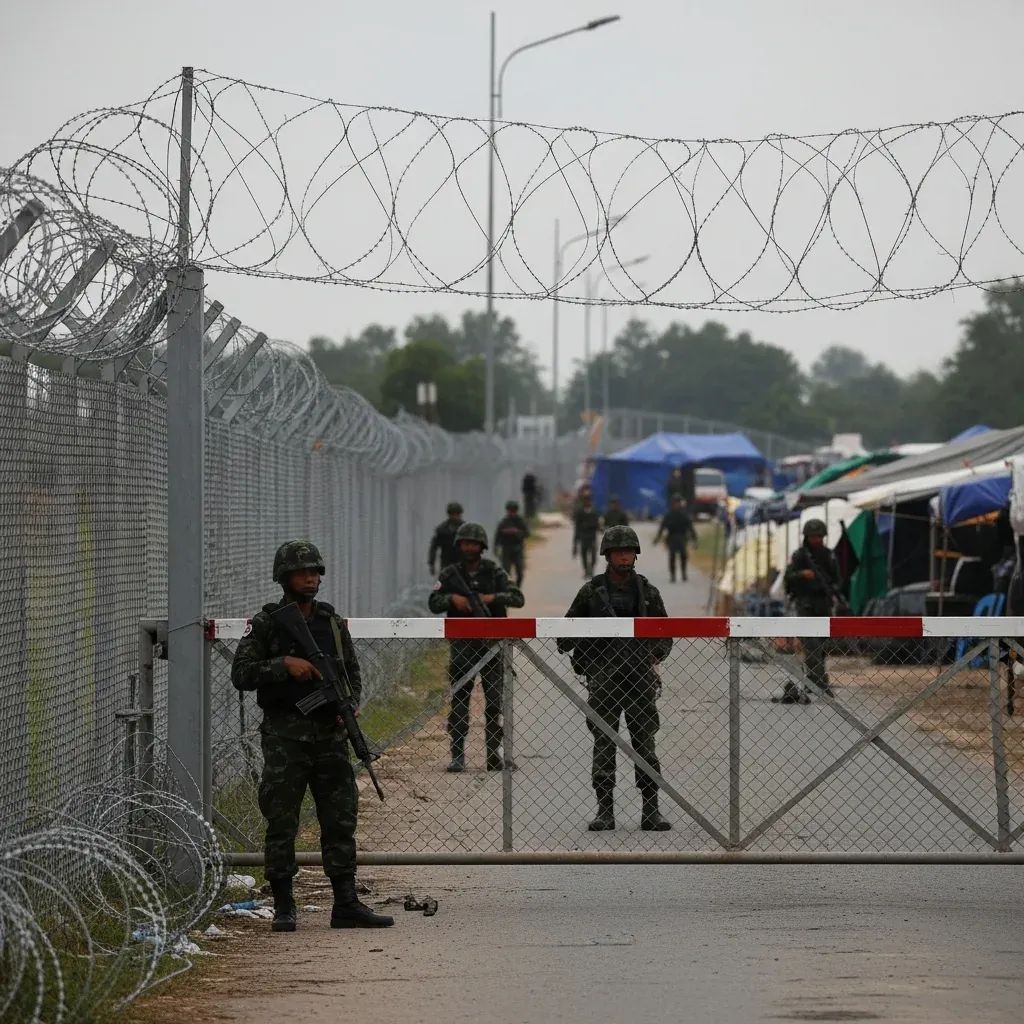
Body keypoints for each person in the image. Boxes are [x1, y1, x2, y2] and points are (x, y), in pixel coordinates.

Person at [231, 540, 394, 932]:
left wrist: (348, 704)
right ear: (284, 576)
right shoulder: (269, 623)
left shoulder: (333, 625)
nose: (311, 577)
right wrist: (284, 665)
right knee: (282, 820)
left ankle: (346, 903)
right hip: (286, 739)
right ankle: (285, 905)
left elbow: (351, 673)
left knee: (340, 819)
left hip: (330, 737)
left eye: (316, 571)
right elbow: (242, 673)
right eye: (303, 571)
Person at [557, 526, 673, 831]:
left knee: (645, 745)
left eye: (629, 550)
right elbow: (565, 633)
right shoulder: (592, 592)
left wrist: (653, 656)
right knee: (604, 745)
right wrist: (584, 644)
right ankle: (604, 810)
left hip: (638, 679)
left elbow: (665, 634)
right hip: (604, 680)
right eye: (618, 551)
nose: (624, 555)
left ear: (636, 554)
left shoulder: (647, 592)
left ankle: (651, 809)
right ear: (607, 555)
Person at [428, 522, 525, 772]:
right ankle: (457, 754)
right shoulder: (450, 575)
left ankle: (493, 754)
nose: (469, 547)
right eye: (465, 543)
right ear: (459, 545)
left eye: (473, 543)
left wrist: (492, 598)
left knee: (494, 702)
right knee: (460, 699)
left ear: (482, 546)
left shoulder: (494, 572)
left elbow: (518, 598)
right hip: (463, 646)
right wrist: (453, 599)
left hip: (492, 645)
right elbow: (433, 602)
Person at [781, 519, 841, 704]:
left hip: (822, 604)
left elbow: (837, 578)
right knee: (811, 644)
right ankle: (820, 683)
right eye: (813, 536)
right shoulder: (800, 556)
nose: (816, 540)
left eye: (819, 537)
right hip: (805, 604)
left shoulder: (828, 555)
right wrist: (802, 575)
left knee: (821, 646)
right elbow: (787, 579)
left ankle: (813, 680)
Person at [654, 494, 698, 582]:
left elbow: (690, 527)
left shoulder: (684, 514)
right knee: (672, 556)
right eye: (675, 503)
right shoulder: (669, 515)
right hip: (672, 538)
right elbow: (662, 527)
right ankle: (673, 575)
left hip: (682, 537)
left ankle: (684, 573)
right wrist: (657, 538)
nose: (676, 505)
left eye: (678, 503)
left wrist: (694, 539)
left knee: (683, 556)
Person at [494, 499, 530, 586]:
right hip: (506, 549)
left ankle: (517, 588)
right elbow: (497, 536)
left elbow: (527, 533)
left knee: (520, 572)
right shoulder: (504, 522)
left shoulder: (520, 521)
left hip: (518, 549)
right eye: (510, 511)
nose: (511, 513)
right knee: (506, 572)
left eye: (513, 511)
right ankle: (508, 589)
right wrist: (496, 548)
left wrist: (516, 532)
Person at [428, 501, 464, 575]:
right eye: (453, 514)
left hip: (462, 564)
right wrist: (432, 564)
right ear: (449, 514)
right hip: (446, 563)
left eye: (457, 514)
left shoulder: (466, 529)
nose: (455, 516)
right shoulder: (442, 530)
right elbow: (433, 548)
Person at [573, 496, 602, 578]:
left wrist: (600, 529)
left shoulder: (594, 512)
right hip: (583, 537)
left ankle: (591, 569)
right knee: (584, 554)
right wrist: (575, 542)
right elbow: (577, 527)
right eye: (585, 500)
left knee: (593, 555)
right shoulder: (580, 512)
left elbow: (597, 524)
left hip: (592, 537)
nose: (587, 502)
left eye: (588, 500)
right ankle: (586, 570)